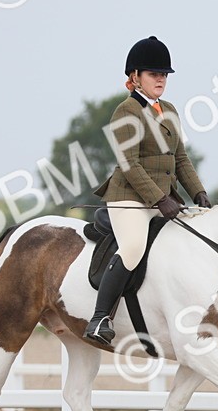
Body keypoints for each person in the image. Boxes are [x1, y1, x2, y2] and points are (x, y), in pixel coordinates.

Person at [86, 35, 211, 345]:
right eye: (154, 74)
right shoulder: (125, 113)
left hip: (164, 200)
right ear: (135, 77)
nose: (161, 80)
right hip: (129, 198)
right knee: (132, 248)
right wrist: (159, 199)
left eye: (164, 75)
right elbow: (129, 164)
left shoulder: (168, 109)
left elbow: (180, 158)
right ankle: (100, 317)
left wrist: (199, 193)